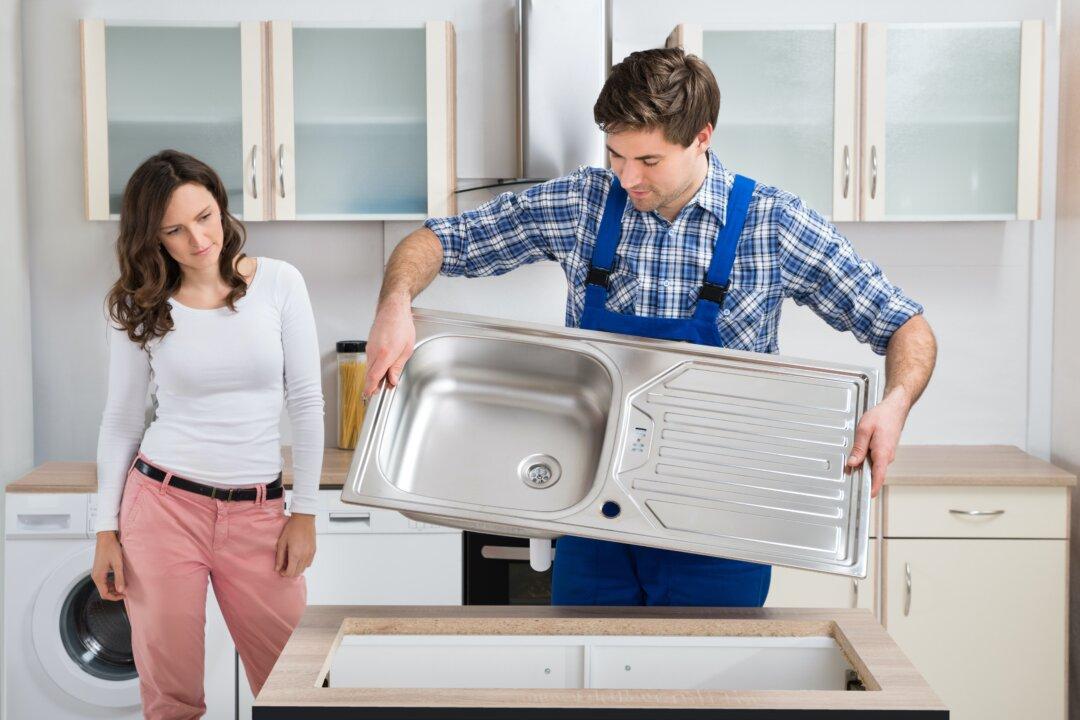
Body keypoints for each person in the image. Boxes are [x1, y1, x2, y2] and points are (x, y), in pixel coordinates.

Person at [363, 47, 937, 608]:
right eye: (616, 154)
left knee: (707, 699)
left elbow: (905, 326)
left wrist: (896, 404)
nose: (628, 177)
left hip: (722, 530)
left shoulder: (774, 223)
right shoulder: (583, 202)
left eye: (649, 161)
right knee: (587, 692)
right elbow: (438, 241)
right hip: (595, 523)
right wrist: (395, 300)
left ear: (702, 137)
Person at [91, 149, 324, 718]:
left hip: (259, 515)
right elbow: (122, 419)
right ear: (154, 239)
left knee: (297, 688)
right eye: (174, 229)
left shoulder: (278, 283)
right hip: (162, 508)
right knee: (172, 700)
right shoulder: (139, 306)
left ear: (221, 205)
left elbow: (306, 400)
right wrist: (104, 530)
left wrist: (306, 512)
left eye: (205, 216)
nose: (198, 238)